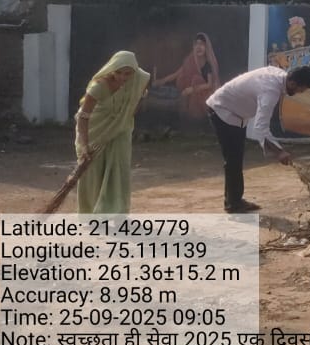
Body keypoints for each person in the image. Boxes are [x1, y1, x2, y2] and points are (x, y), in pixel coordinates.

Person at [206, 65, 310, 213]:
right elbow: (260, 128)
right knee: (233, 159)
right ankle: (233, 203)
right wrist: (279, 152)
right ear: (292, 83)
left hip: (234, 113)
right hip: (222, 111)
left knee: (236, 158)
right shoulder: (270, 91)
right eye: (300, 90)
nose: (299, 93)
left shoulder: (278, 76)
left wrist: (278, 150)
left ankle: (234, 200)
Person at [74, 51, 151, 213]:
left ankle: (118, 214)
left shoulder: (140, 79)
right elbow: (83, 116)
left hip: (122, 129)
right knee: (92, 173)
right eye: (119, 73)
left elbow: (138, 100)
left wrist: (125, 117)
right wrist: (85, 145)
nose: (123, 77)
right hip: (95, 131)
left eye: (127, 74)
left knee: (119, 170)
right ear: (112, 70)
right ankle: (93, 215)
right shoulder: (98, 86)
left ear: (134, 72)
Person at [155, 32, 220, 122]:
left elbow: (209, 85)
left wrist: (192, 89)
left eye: (202, 44)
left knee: (196, 79)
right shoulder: (191, 60)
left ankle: (195, 118)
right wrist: (162, 81)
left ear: (206, 47)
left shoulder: (208, 65)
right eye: (197, 44)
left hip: (206, 94)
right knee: (184, 84)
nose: (199, 47)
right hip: (191, 91)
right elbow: (177, 74)